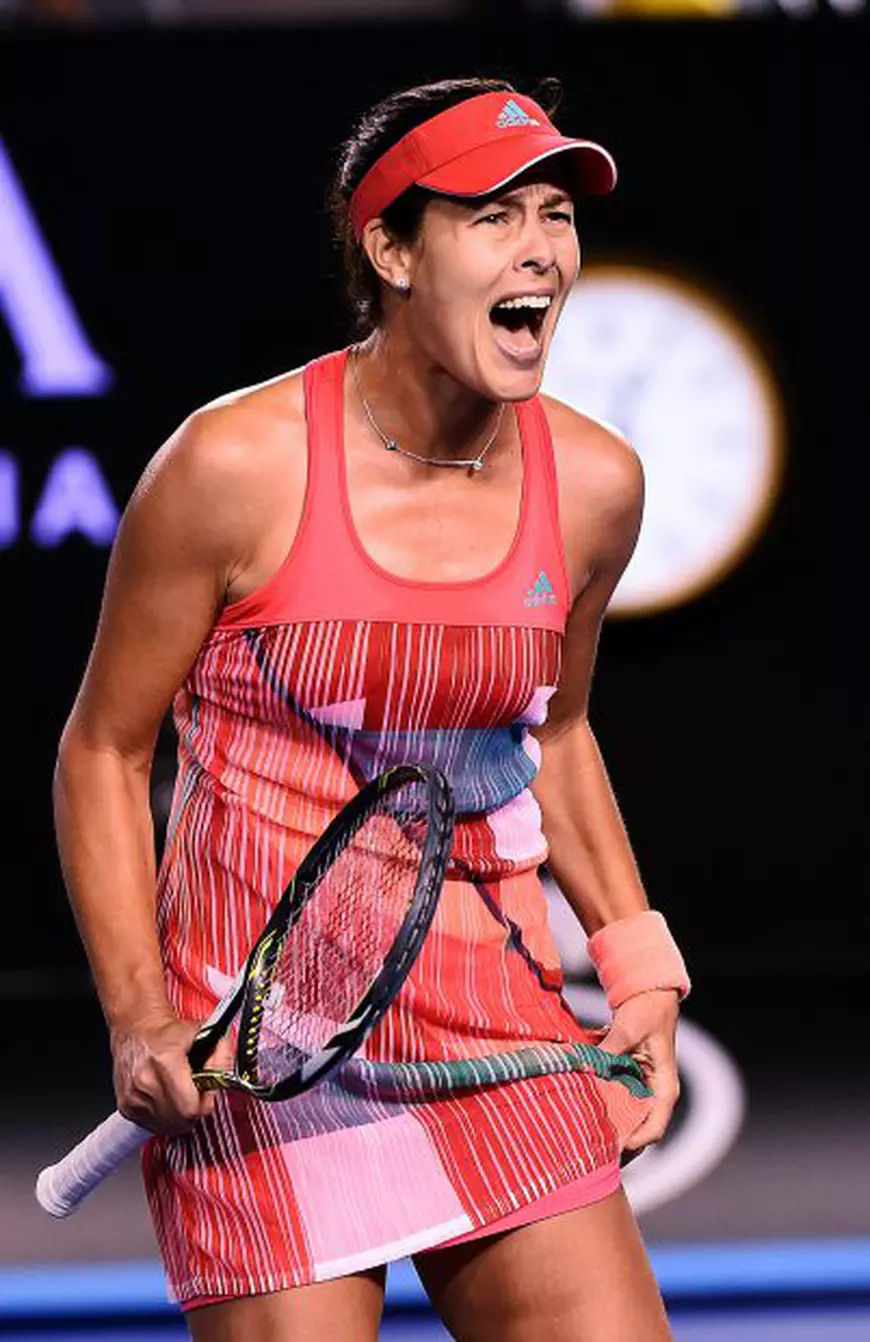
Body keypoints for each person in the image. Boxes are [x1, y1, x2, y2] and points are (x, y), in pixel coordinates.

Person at [53, 76, 691, 1340]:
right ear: (390, 249)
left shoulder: (598, 486)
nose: (541, 251)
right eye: (493, 216)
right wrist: (138, 1012)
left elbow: (551, 735)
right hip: (264, 1064)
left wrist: (638, 967)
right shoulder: (230, 470)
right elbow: (104, 749)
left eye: (556, 214)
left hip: (498, 1030)